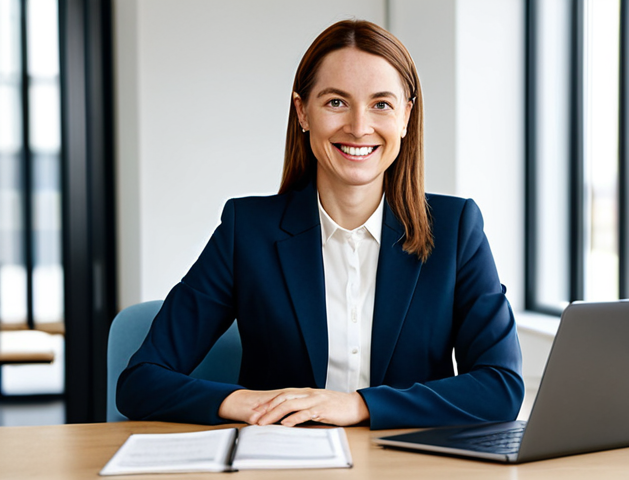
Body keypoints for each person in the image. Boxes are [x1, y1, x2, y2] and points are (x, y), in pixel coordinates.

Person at [116, 19, 524, 430]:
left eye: (381, 104)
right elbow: (141, 382)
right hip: (284, 463)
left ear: (405, 117)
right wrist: (249, 403)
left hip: (406, 466)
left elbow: (501, 387)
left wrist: (359, 406)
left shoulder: (455, 230)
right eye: (336, 102)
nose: (359, 126)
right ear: (302, 111)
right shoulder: (248, 231)